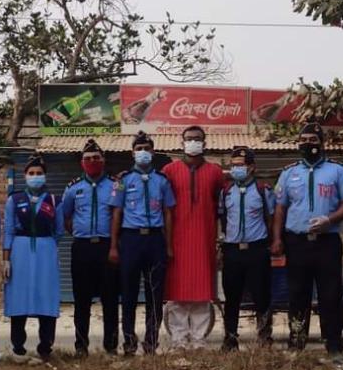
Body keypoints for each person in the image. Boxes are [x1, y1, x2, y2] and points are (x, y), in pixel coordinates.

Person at [271, 122, 343, 356]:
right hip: (296, 243)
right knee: (297, 294)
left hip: (327, 242)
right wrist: (277, 239)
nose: (307, 144)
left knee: (330, 294)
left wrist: (330, 219)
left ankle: (333, 346)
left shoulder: (337, 171)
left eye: (313, 140)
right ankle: (297, 344)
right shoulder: (289, 173)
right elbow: (280, 208)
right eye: (303, 140)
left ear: (322, 143)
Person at [109, 131, 176, 355]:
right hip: (131, 239)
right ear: (132, 153)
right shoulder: (123, 181)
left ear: (153, 152)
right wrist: (114, 246)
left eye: (147, 149)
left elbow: (168, 213)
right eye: (139, 149)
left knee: (154, 294)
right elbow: (116, 213)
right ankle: (129, 342)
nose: (143, 152)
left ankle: (151, 342)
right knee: (128, 293)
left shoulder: (162, 180)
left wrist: (168, 245)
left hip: (155, 239)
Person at [163, 126, 223, 348]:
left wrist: (220, 240)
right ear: (182, 143)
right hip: (177, 241)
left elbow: (222, 207)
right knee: (177, 292)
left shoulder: (215, 172)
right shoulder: (169, 171)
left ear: (204, 143)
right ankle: (178, 338)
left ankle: (199, 339)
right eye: (189, 139)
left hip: (205, 240)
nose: (193, 142)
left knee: (202, 291)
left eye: (197, 139)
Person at [60, 139, 119, 356]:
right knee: (81, 300)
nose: (92, 161)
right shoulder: (73, 188)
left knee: (110, 299)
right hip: (82, 248)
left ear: (103, 160)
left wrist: (114, 246)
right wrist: (80, 233)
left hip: (107, 247)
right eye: (88, 158)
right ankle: (81, 347)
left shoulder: (115, 185)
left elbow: (119, 215)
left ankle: (111, 347)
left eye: (96, 158)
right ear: (81, 162)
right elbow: (66, 217)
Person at [2, 155, 63, 361]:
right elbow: (8, 230)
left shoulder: (54, 200)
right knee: (19, 296)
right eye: (31, 173)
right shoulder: (14, 200)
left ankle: (45, 346)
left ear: (45, 176)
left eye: (39, 173)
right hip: (20, 251)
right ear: (25, 175)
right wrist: (6, 259)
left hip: (46, 250)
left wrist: (48, 245)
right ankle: (18, 347)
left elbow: (59, 231)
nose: (35, 176)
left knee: (46, 295)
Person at [218, 146, 275, 351]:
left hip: (256, 249)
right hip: (232, 250)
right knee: (231, 296)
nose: (236, 169)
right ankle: (230, 339)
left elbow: (271, 218)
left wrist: (272, 242)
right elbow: (223, 219)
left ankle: (264, 338)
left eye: (240, 165)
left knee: (261, 295)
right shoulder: (226, 191)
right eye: (233, 165)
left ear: (251, 167)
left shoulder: (263, 190)